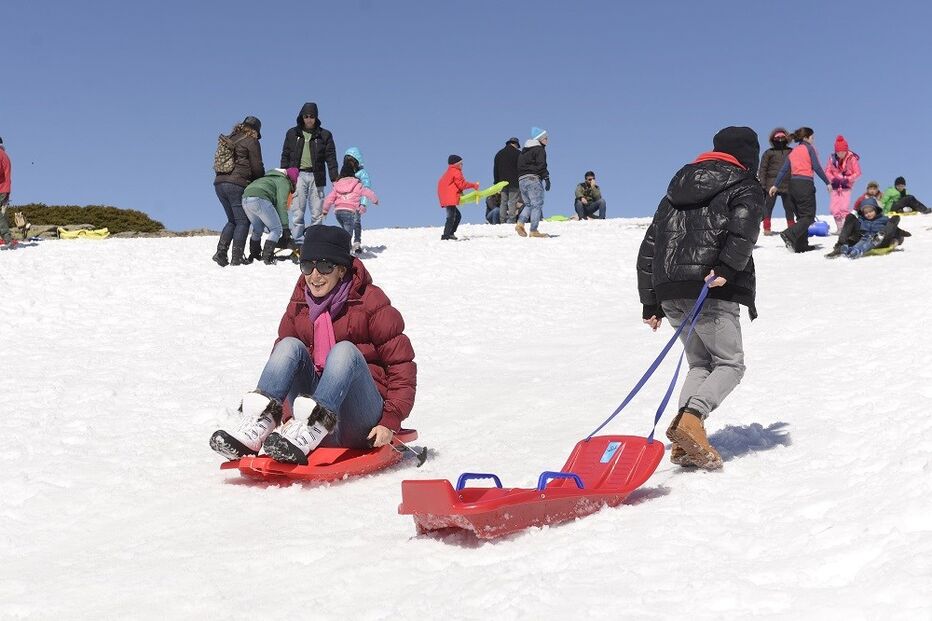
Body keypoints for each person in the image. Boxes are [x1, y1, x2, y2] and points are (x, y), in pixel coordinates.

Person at [209, 225, 416, 464]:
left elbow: (401, 366)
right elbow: (284, 369)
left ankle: (315, 424)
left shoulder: (370, 301)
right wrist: (288, 416)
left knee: (344, 351)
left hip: (360, 420)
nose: (314, 276)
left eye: (325, 266)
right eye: (307, 266)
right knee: (288, 346)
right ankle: (259, 426)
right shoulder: (300, 303)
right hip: (307, 422)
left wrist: (389, 421)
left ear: (341, 269)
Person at [637, 126, 764, 470]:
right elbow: (744, 231)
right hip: (711, 286)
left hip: (670, 291)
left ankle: (684, 440)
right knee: (730, 363)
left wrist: (651, 301)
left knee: (700, 364)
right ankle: (692, 421)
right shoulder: (745, 184)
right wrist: (727, 267)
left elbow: (650, 246)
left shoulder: (676, 187)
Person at [280, 102, 340, 248]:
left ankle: (315, 243)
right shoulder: (292, 133)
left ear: (316, 117)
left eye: (312, 116)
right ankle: (298, 243)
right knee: (298, 212)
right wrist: (284, 175)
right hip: (298, 176)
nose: (308, 119)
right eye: (306, 116)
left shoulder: (324, 135)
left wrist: (334, 178)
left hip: (316, 176)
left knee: (317, 213)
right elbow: (285, 155)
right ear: (302, 117)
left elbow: (331, 157)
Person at [212, 116, 264, 267]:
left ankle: (221, 252)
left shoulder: (231, 137)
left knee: (232, 220)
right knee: (243, 221)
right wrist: (261, 180)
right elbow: (257, 166)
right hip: (236, 184)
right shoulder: (251, 140)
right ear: (256, 130)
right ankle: (237, 257)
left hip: (219, 183)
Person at [770, 127, 831, 252]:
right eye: (812, 137)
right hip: (805, 185)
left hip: (792, 186)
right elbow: (817, 167)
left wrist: (775, 185)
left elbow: (783, 170)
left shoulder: (793, 152)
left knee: (801, 217)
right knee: (808, 216)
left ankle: (801, 245)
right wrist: (827, 182)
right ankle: (789, 234)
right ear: (806, 138)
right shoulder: (809, 148)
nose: (813, 140)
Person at [242, 168, 298, 265]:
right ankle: (266, 258)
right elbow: (281, 205)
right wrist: (285, 227)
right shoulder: (284, 181)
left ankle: (254, 255)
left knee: (258, 229)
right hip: (259, 198)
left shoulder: (267, 177)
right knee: (276, 229)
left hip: (245, 199)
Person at [825, 197, 910, 259]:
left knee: (895, 217)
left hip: (880, 240)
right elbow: (852, 228)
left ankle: (879, 236)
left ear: (876, 210)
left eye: (871, 211)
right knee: (850, 217)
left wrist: (900, 235)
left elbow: (892, 228)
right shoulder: (861, 220)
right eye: (866, 213)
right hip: (863, 239)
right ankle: (840, 246)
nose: (868, 214)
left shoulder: (883, 219)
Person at [323, 157, 379, 237]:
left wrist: (325, 210)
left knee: (344, 232)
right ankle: (346, 244)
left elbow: (329, 198)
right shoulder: (357, 184)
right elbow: (367, 192)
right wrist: (375, 200)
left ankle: (343, 242)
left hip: (338, 212)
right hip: (349, 212)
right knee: (348, 235)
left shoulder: (337, 185)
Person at [757, 128, 794, 235]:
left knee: (789, 208)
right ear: (773, 139)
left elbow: (797, 166)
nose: (780, 139)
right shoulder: (769, 153)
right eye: (777, 138)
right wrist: (762, 184)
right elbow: (763, 169)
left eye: (782, 137)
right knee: (768, 207)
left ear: (786, 138)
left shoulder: (792, 152)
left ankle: (792, 228)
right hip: (771, 184)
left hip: (788, 183)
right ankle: (767, 228)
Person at [516, 127, 550, 238]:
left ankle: (520, 223)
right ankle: (534, 230)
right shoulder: (539, 149)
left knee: (529, 204)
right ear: (539, 139)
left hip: (521, 180)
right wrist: (546, 178)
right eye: (545, 138)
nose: (547, 140)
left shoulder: (524, 151)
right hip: (533, 179)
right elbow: (541, 165)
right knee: (537, 204)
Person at [437, 154, 479, 240]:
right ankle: (446, 235)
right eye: (461, 163)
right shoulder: (456, 171)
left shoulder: (448, 172)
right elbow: (462, 184)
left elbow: (451, 185)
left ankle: (450, 233)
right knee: (451, 217)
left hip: (445, 197)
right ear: (456, 164)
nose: (462, 165)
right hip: (450, 198)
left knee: (457, 216)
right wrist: (473, 185)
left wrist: (460, 193)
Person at [824, 135, 862, 232]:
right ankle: (839, 228)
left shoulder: (851, 158)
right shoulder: (832, 159)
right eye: (838, 152)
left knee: (844, 208)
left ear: (846, 150)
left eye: (843, 152)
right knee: (834, 208)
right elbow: (827, 171)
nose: (840, 154)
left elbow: (858, 173)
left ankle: (845, 228)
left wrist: (848, 179)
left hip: (846, 186)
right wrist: (833, 179)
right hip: (835, 186)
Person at [344, 147, 371, 254]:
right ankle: (346, 243)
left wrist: (363, 203)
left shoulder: (362, 173)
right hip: (346, 203)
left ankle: (357, 242)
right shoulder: (346, 173)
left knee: (356, 221)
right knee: (346, 223)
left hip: (357, 202)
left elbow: (366, 188)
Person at [493, 137, 521, 223]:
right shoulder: (518, 153)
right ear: (515, 144)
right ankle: (512, 220)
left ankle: (502, 221)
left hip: (502, 183)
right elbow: (521, 168)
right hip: (514, 182)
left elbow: (495, 170)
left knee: (503, 202)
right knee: (513, 201)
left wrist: (496, 183)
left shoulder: (499, 154)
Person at [0, 136, 14, 249]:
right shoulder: (4, 154)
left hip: (1, 189)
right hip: (5, 188)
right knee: (2, 214)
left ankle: (7, 239)